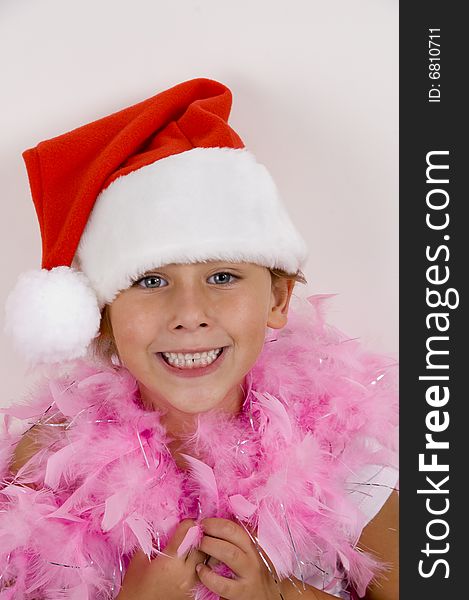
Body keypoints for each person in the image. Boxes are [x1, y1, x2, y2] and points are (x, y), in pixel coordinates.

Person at [0, 78, 398, 600]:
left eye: (223, 277)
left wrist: (280, 597)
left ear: (277, 299)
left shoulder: (342, 449)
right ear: (102, 315)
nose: (190, 314)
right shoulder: (47, 464)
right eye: (150, 281)